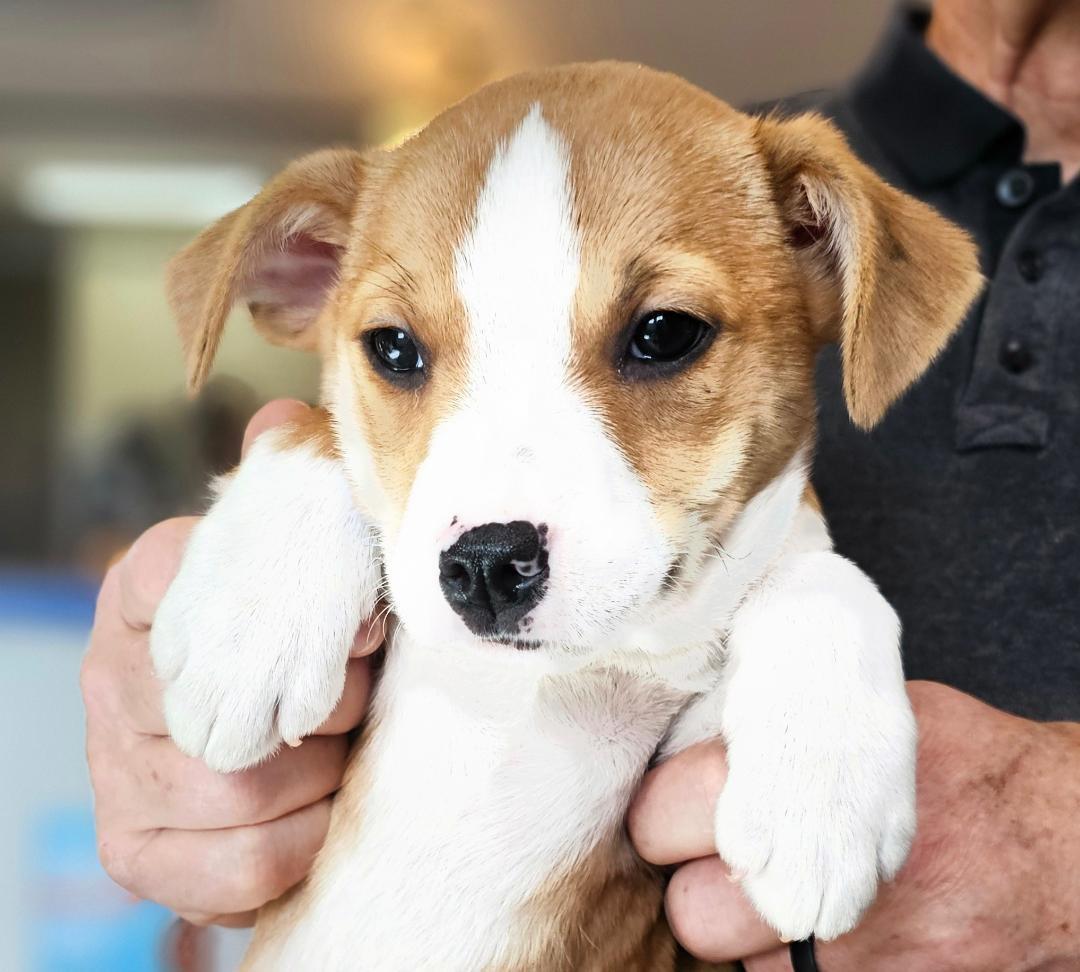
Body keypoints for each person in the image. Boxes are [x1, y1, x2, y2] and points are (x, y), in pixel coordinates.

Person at [82, 2, 1080, 968]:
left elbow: (774, 579)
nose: (492, 520)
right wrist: (271, 518)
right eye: (397, 348)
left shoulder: (771, 205)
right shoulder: (659, 159)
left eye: (661, 336)